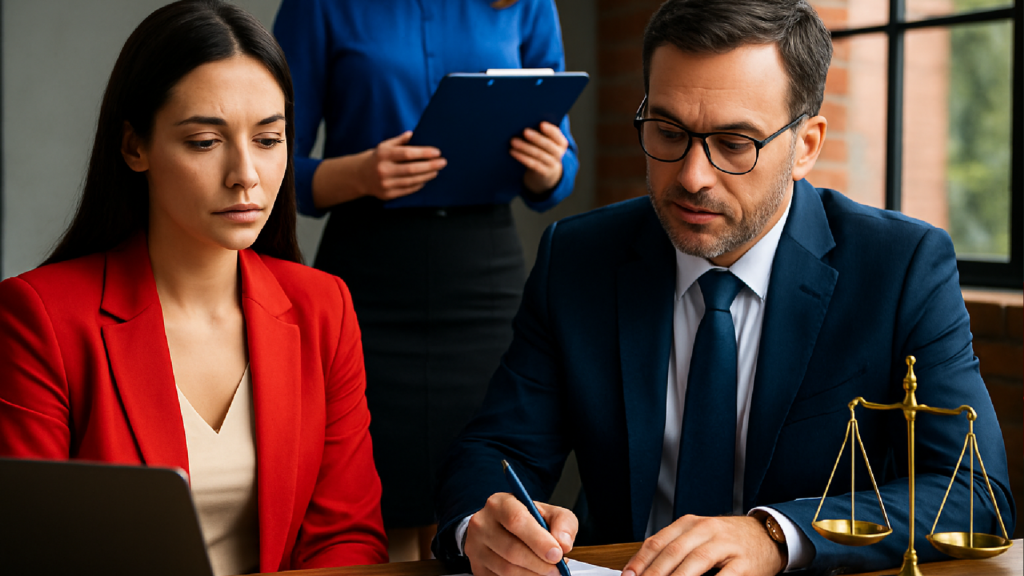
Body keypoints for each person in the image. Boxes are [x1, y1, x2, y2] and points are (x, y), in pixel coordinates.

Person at [432, 1, 1015, 575]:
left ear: (805, 145)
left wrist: (777, 536)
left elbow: (974, 494)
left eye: (735, 144)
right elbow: (495, 451)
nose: (691, 176)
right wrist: (482, 526)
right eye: (666, 131)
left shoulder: (901, 266)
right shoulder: (579, 257)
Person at [0, 1, 387, 573]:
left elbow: (347, 540)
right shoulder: (41, 316)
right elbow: (29, 550)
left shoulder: (322, 307)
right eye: (206, 141)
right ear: (135, 147)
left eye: (269, 139)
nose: (245, 174)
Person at [272, 0, 579, 560]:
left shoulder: (528, 3)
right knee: (361, 495)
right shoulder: (317, 6)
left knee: (491, 482)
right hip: (367, 273)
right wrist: (359, 173)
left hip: (484, 275)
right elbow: (269, 165)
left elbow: (563, 161)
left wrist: (551, 167)